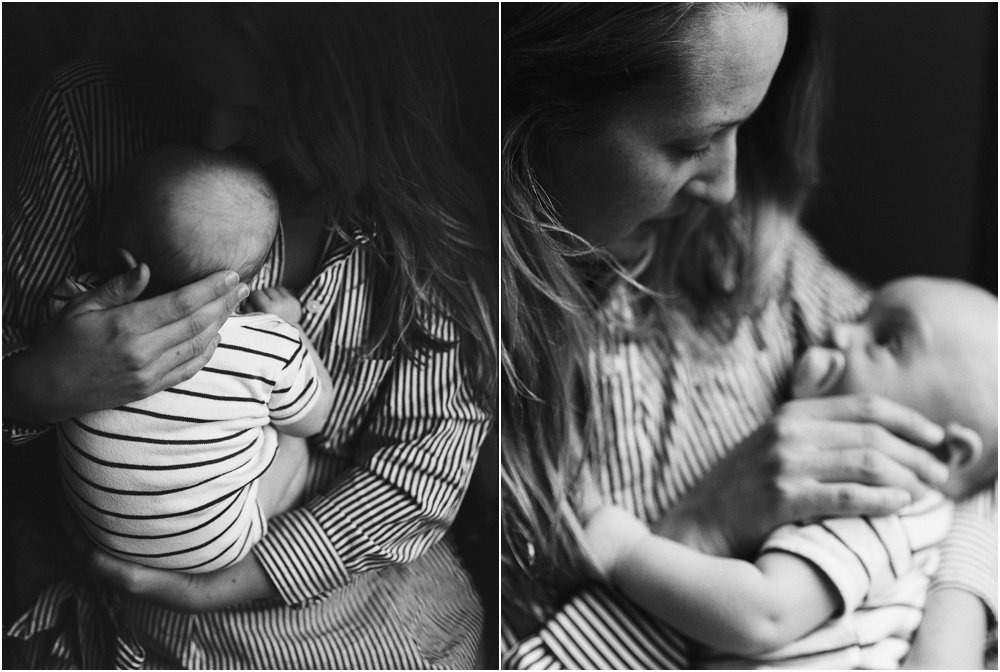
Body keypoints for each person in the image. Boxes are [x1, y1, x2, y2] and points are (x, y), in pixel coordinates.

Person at [501, 4, 996, 669]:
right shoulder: (438, 368)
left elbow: (981, 413)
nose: (727, 187)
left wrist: (954, 617)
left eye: (744, 126)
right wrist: (698, 530)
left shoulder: (748, 252)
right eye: (690, 142)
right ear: (529, 108)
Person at [4, 5, 494, 669]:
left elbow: (424, 459)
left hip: (359, 595)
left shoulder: (421, 226)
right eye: (198, 87)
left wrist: (219, 588)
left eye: (266, 111)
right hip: (129, 607)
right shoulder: (86, 116)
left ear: (357, 102)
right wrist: (38, 386)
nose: (214, 134)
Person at [582, 276, 998, 668]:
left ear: (947, 450)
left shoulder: (876, 507)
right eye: (858, 317)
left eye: (886, 340)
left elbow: (764, 613)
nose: (838, 332)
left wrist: (626, 551)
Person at [49, 145, 334, 574]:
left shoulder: (70, 312)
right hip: (213, 549)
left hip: (101, 532)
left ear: (122, 259)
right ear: (244, 282)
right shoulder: (267, 345)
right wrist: (290, 328)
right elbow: (314, 421)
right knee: (292, 439)